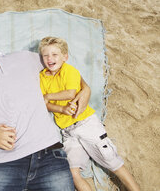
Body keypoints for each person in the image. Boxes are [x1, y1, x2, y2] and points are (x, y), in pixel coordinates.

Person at [0, 32, 91, 191]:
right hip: (6, 160)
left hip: (49, 152)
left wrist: (85, 89)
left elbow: (59, 65)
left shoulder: (23, 57)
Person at [39, 36, 140, 191]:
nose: (50, 59)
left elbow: (71, 93)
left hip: (86, 124)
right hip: (68, 132)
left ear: (65, 57)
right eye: (46, 55)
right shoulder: (42, 77)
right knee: (72, 173)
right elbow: (44, 104)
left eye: (55, 55)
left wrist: (48, 96)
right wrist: (60, 109)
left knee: (112, 161)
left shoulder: (69, 70)